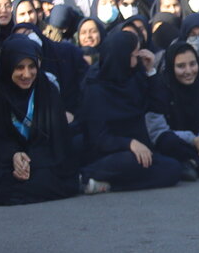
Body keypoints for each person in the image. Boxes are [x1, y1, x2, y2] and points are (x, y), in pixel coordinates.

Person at [0, 34, 80, 206]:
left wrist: (30, 160)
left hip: (42, 160)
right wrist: (13, 155)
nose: (26, 74)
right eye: (19, 67)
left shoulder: (48, 91)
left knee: (56, 179)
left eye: (31, 67)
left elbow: (57, 141)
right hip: (6, 161)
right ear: (7, 67)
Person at [78, 31, 183, 193]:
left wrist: (150, 72)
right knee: (130, 160)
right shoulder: (95, 87)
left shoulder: (134, 76)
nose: (139, 58)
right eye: (135, 54)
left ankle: (108, 185)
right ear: (122, 57)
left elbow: (159, 105)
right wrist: (129, 144)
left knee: (173, 169)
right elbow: (99, 138)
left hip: (141, 149)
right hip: (108, 154)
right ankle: (87, 176)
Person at [147, 41, 199, 179]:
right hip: (178, 142)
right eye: (181, 66)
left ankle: (192, 164)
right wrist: (193, 140)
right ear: (171, 66)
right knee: (167, 142)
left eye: (192, 64)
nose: (188, 71)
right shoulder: (159, 89)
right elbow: (157, 131)